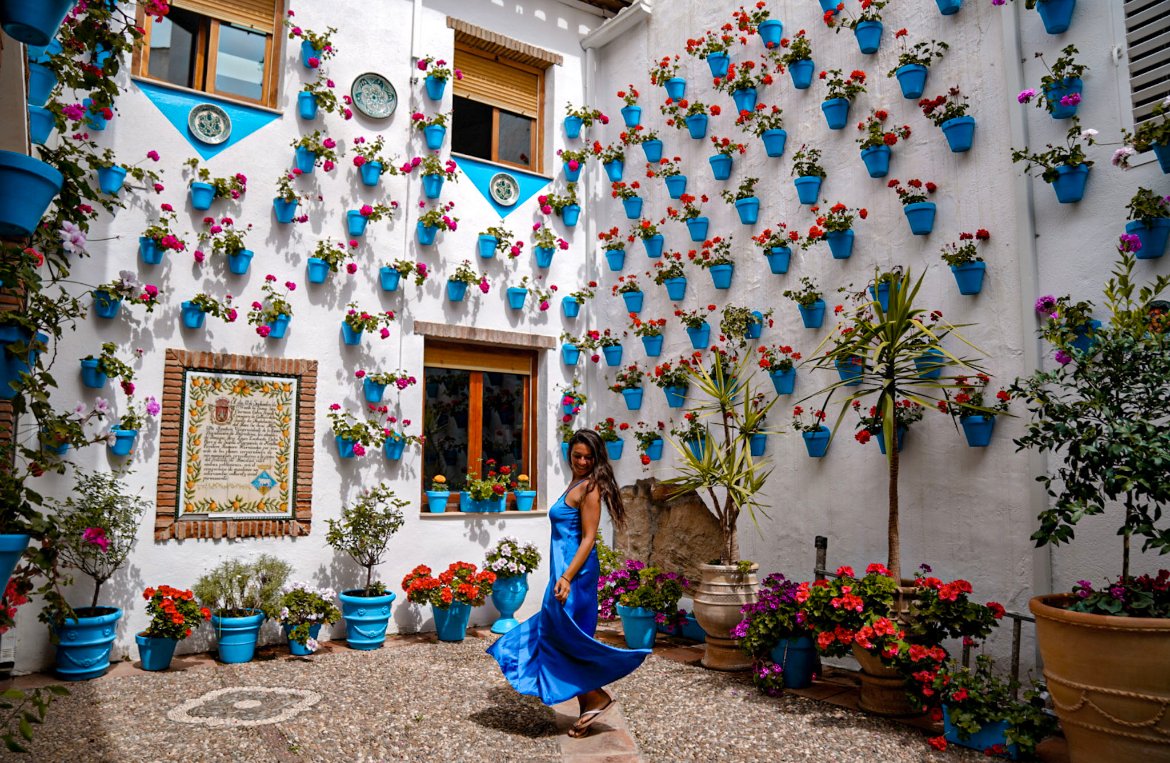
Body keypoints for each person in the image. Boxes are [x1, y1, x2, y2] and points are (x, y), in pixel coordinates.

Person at [487, 429, 650, 738]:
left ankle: (596, 697)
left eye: (589, 457)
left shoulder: (590, 487)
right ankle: (591, 701)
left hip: (576, 574)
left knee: (563, 635)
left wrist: (566, 577)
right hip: (566, 573)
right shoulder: (575, 483)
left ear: (597, 458)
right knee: (560, 634)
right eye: (577, 456)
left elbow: (588, 538)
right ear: (569, 454)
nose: (583, 461)